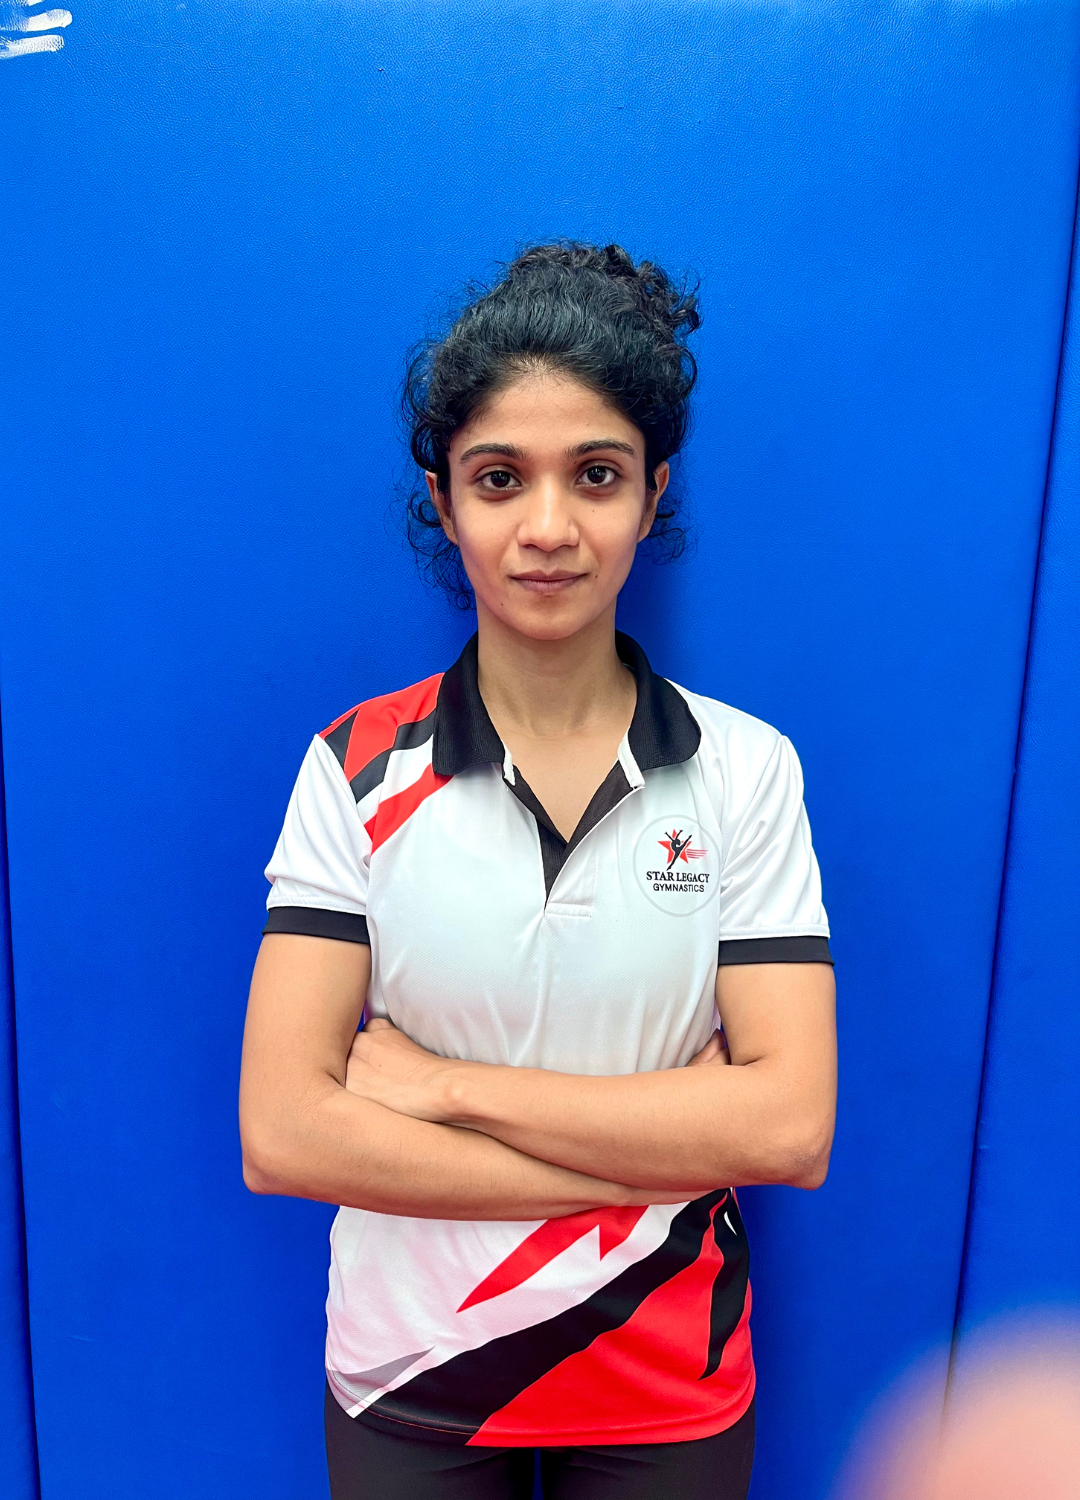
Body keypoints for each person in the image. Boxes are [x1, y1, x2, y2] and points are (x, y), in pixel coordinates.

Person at [239, 242, 838, 1500]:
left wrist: (440, 1087)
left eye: (597, 475)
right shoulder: (353, 768)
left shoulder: (747, 770)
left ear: (651, 493)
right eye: (500, 478)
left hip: (668, 1383)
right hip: (411, 1381)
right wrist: (664, 1153)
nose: (549, 528)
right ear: (445, 498)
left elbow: (788, 1128)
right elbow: (283, 1134)